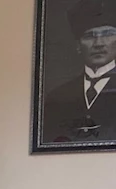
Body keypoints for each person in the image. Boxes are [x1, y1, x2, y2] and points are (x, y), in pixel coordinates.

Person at [43, 0, 116, 142]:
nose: (98, 43)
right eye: (89, 36)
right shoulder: (57, 97)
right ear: (78, 46)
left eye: (108, 34)